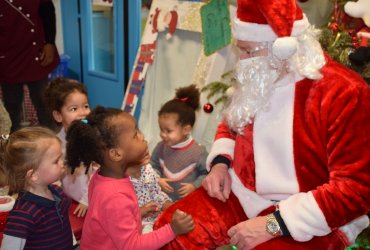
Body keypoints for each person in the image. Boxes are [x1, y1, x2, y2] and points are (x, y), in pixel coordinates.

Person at [154, 0, 370, 249]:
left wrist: (272, 223)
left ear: (282, 49)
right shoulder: (259, 73)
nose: (242, 60)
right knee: (170, 232)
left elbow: (355, 190)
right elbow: (231, 122)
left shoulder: (344, 93)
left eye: (248, 51)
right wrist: (221, 164)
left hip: (308, 215)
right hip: (239, 193)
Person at [65, 106, 194, 249]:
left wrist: (137, 213)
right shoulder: (114, 196)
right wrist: (173, 229)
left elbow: (108, 218)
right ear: (116, 154)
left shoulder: (102, 176)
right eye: (135, 135)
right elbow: (133, 246)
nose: (142, 136)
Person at [1, 127, 73, 249]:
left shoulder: (57, 192)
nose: (63, 162)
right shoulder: (23, 215)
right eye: (56, 161)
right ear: (33, 175)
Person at [0, 0, 60, 132]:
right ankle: (13, 141)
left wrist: (49, 42)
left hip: (35, 51)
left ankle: (51, 137)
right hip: (6, 54)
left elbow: (48, 12)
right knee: (12, 103)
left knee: (43, 100)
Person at [150, 85, 208, 201]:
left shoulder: (198, 152)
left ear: (186, 130)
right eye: (161, 129)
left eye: (168, 131)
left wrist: (194, 186)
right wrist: (157, 179)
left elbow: (206, 173)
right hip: (163, 199)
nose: (163, 134)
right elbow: (153, 165)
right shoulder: (161, 147)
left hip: (186, 203)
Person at [44, 77, 91, 217]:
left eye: (86, 106)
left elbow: (100, 174)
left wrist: (87, 199)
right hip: (71, 203)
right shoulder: (55, 144)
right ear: (58, 116)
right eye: (74, 109)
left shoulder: (93, 138)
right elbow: (54, 177)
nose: (83, 112)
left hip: (93, 200)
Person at [127, 150, 173, 234]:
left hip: (156, 218)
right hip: (137, 225)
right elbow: (122, 216)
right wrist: (141, 212)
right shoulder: (119, 181)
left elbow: (156, 193)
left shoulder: (147, 168)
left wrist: (167, 204)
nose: (145, 147)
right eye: (136, 140)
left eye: (143, 140)